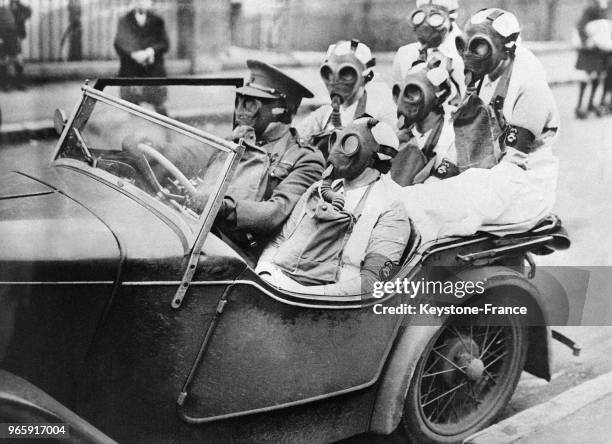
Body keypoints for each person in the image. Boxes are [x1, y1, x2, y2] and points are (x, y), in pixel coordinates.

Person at [397, 8, 560, 243]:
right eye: (465, 45)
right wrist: (440, 178)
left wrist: (454, 191)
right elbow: (466, 137)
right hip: (491, 174)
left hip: (523, 187)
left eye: (480, 46)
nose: (470, 54)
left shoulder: (529, 85)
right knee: (413, 197)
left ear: (507, 47)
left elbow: (512, 166)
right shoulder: (485, 75)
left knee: (428, 209)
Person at [188, 60, 326, 261]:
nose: (240, 111)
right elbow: (192, 156)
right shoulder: (233, 141)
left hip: (237, 255)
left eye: (251, 104)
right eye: (239, 102)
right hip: (201, 234)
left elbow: (273, 213)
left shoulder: (305, 157)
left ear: (282, 110)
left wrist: (219, 205)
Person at [257, 118, 410, 296]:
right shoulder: (318, 189)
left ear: (374, 156)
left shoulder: (391, 211)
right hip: (276, 287)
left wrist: (300, 294)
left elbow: (372, 283)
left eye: (349, 143)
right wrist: (264, 273)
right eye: (337, 139)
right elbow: (279, 242)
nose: (337, 150)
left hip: (329, 308)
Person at [296, 39, 397, 158]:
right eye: (329, 72)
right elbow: (297, 142)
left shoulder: (380, 114)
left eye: (346, 73)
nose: (335, 80)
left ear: (366, 77)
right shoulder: (324, 115)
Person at [390, 63, 459, 186]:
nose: (405, 100)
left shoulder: (452, 134)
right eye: (405, 93)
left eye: (414, 93)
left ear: (438, 97)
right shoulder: (401, 136)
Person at [392, 0, 465, 108]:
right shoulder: (405, 54)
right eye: (421, 16)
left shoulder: (468, 54)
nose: (426, 24)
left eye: (435, 17)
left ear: (451, 17)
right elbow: (399, 103)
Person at [114, 0, 169, 115]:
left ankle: (166, 130)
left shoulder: (157, 21)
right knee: (133, 110)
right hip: (132, 73)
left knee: (161, 110)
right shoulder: (124, 20)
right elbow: (119, 44)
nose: (140, 2)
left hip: (154, 72)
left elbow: (164, 43)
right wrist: (133, 54)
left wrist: (150, 52)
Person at [574, 0, 610, 118]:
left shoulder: (605, 8)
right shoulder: (591, 8)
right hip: (589, 51)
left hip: (599, 50)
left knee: (598, 77)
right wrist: (586, 41)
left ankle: (590, 104)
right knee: (586, 77)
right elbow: (581, 26)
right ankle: (579, 106)